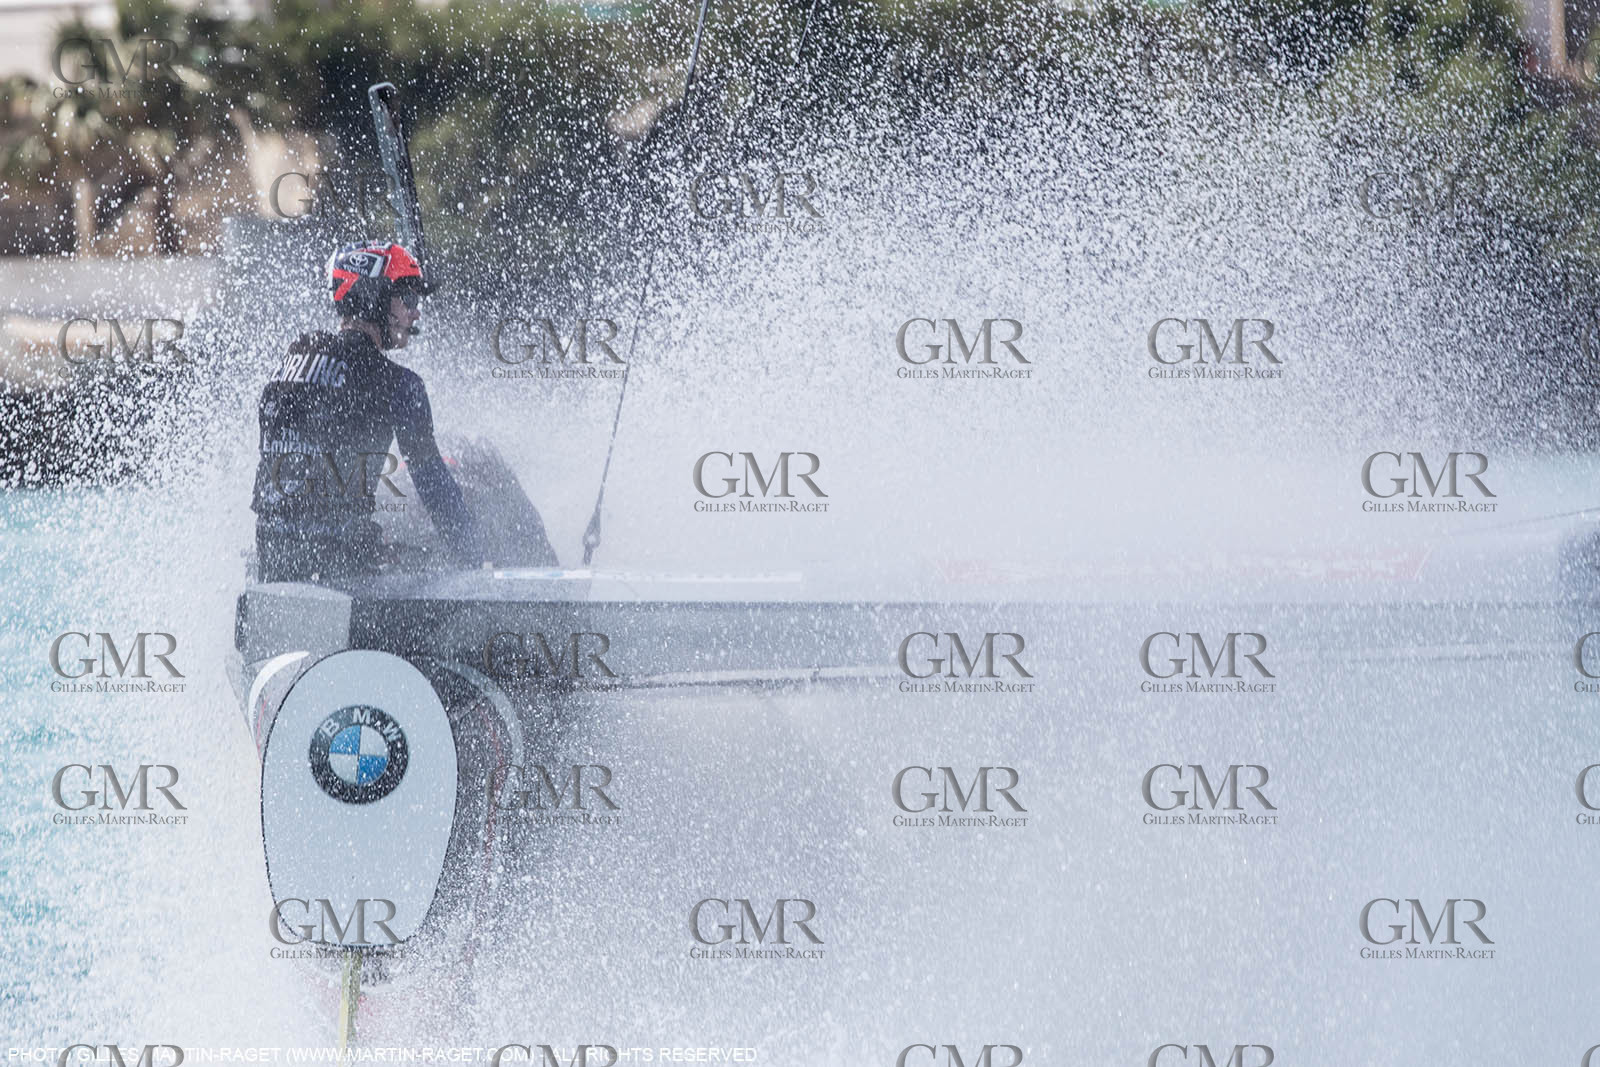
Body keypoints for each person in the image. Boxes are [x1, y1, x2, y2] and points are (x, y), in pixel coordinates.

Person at [251, 240, 481, 584]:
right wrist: (476, 565)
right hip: (341, 571)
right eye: (409, 299)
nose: (415, 313)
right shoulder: (399, 384)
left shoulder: (289, 364)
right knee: (431, 555)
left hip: (273, 563)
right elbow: (435, 489)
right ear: (374, 297)